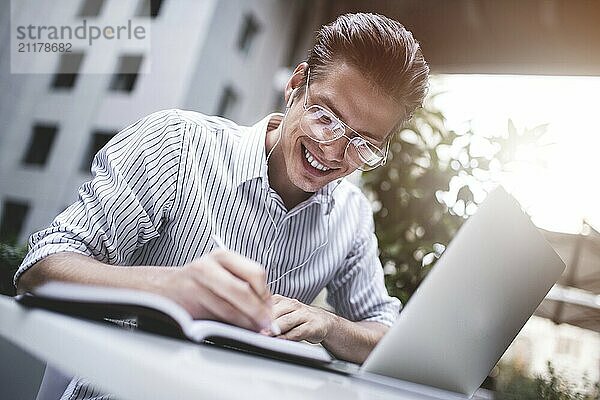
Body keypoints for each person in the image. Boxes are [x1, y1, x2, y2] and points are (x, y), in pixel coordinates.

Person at [15, 12, 429, 400]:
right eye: (326, 116)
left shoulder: (350, 217)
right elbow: (41, 268)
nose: (334, 151)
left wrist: (331, 325)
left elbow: (386, 336)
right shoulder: (176, 145)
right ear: (296, 85)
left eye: (363, 144)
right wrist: (171, 289)